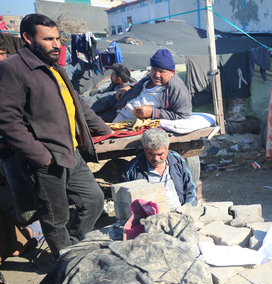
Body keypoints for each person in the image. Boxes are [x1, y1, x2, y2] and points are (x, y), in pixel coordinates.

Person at [0, 14, 112, 261]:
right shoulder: (12, 69)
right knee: (55, 217)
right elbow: (8, 120)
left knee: (93, 200)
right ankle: (65, 264)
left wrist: (103, 128)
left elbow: (76, 101)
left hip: (70, 152)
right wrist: (42, 156)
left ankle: (71, 246)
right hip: (46, 159)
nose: (56, 44)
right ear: (28, 38)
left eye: (58, 38)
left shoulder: (55, 66)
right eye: (48, 39)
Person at [120, 128, 198, 209]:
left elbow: (191, 188)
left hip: (179, 211)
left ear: (167, 148)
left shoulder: (178, 161)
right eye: (151, 154)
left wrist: (187, 208)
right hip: (150, 217)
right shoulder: (132, 169)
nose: (156, 159)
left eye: (160, 154)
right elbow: (125, 200)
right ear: (144, 149)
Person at [112, 49, 192, 123]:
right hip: (119, 107)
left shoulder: (176, 89)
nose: (157, 75)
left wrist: (153, 112)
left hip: (128, 123)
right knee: (100, 102)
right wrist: (129, 86)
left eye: (162, 71)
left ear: (172, 72)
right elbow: (140, 82)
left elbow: (183, 116)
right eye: (154, 69)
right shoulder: (150, 78)